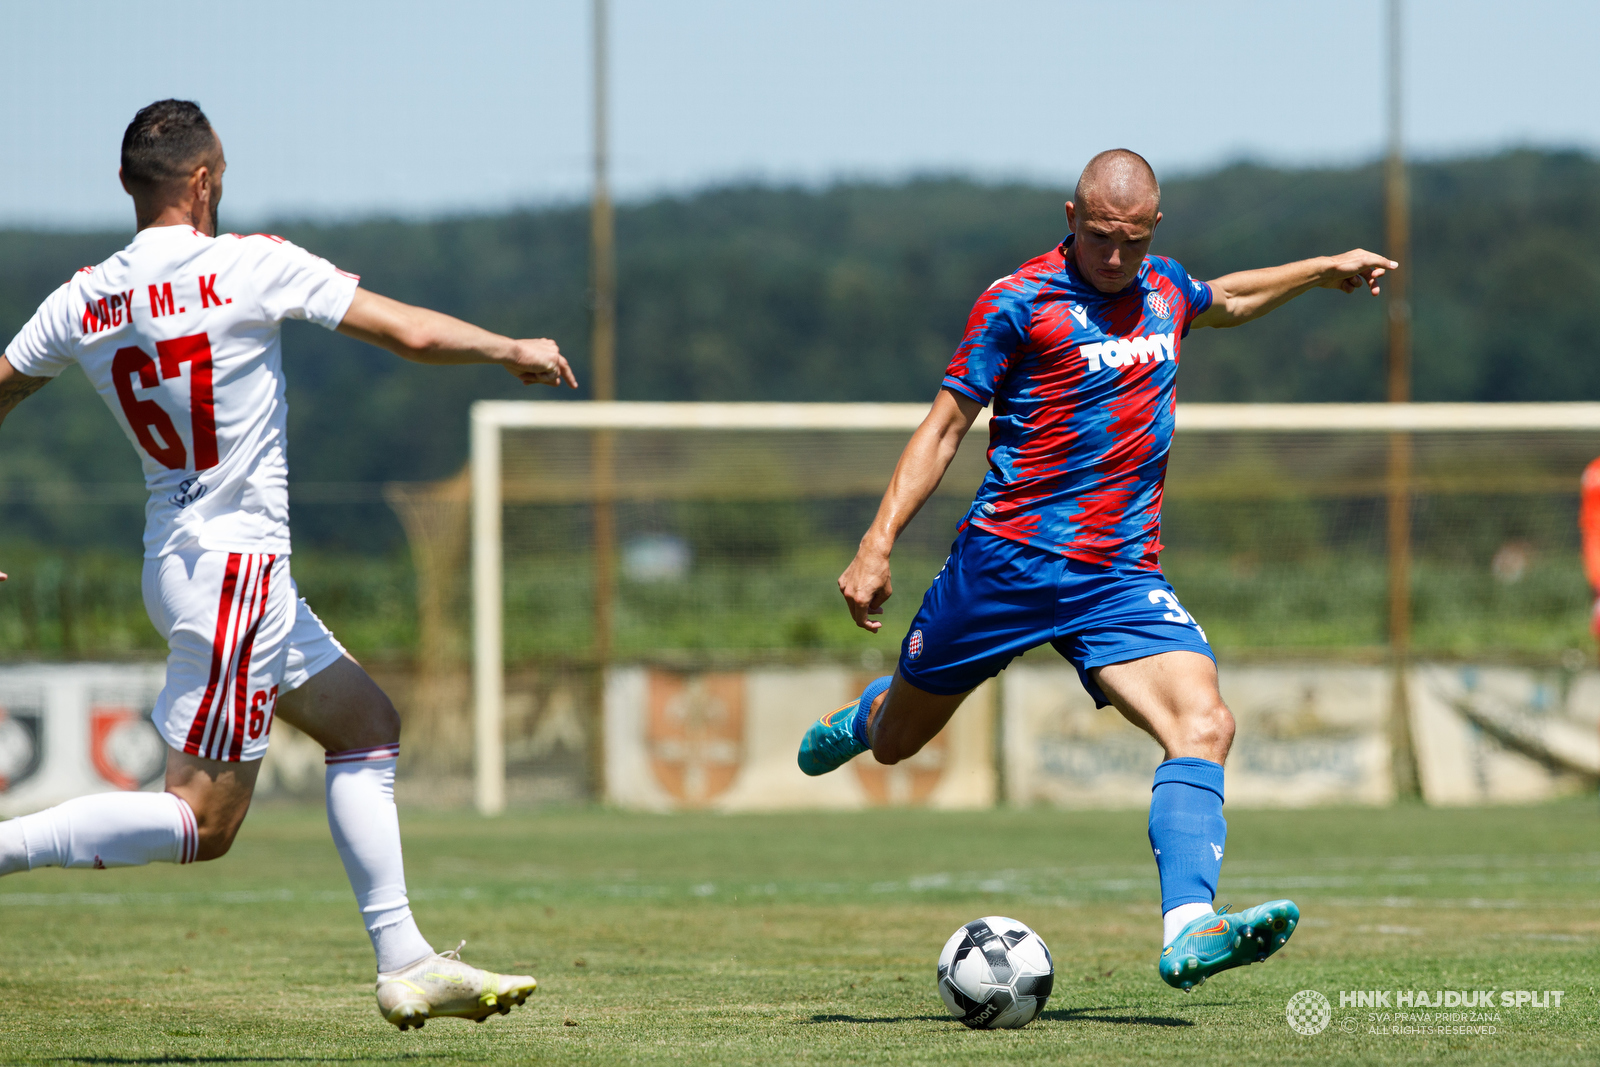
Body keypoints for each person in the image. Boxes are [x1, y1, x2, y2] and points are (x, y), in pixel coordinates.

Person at [0, 100, 576, 1029]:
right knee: (201, 821)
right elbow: (412, 333)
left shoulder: (83, 297)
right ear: (203, 180)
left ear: (125, 186)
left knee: (363, 722)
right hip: (235, 573)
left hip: (183, 563)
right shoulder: (248, 263)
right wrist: (509, 347)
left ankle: (406, 959)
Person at [798, 149, 1398, 993]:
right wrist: (876, 541)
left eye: (1132, 241)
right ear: (1071, 217)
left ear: (1154, 230)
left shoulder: (1163, 288)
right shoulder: (1017, 304)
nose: (1114, 258)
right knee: (899, 743)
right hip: (1000, 568)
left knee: (1206, 723)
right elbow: (942, 428)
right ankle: (871, 714)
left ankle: (1189, 927)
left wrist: (1322, 269)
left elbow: (1227, 298)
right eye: (1100, 238)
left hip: (1116, 578)